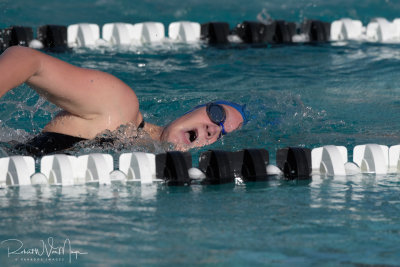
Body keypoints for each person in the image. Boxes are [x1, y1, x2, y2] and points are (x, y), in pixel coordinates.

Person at [0, 46, 246, 155]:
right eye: (218, 115)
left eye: (221, 134)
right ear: (195, 109)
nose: (213, 129)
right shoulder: (119, 107)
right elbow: (28, 60)